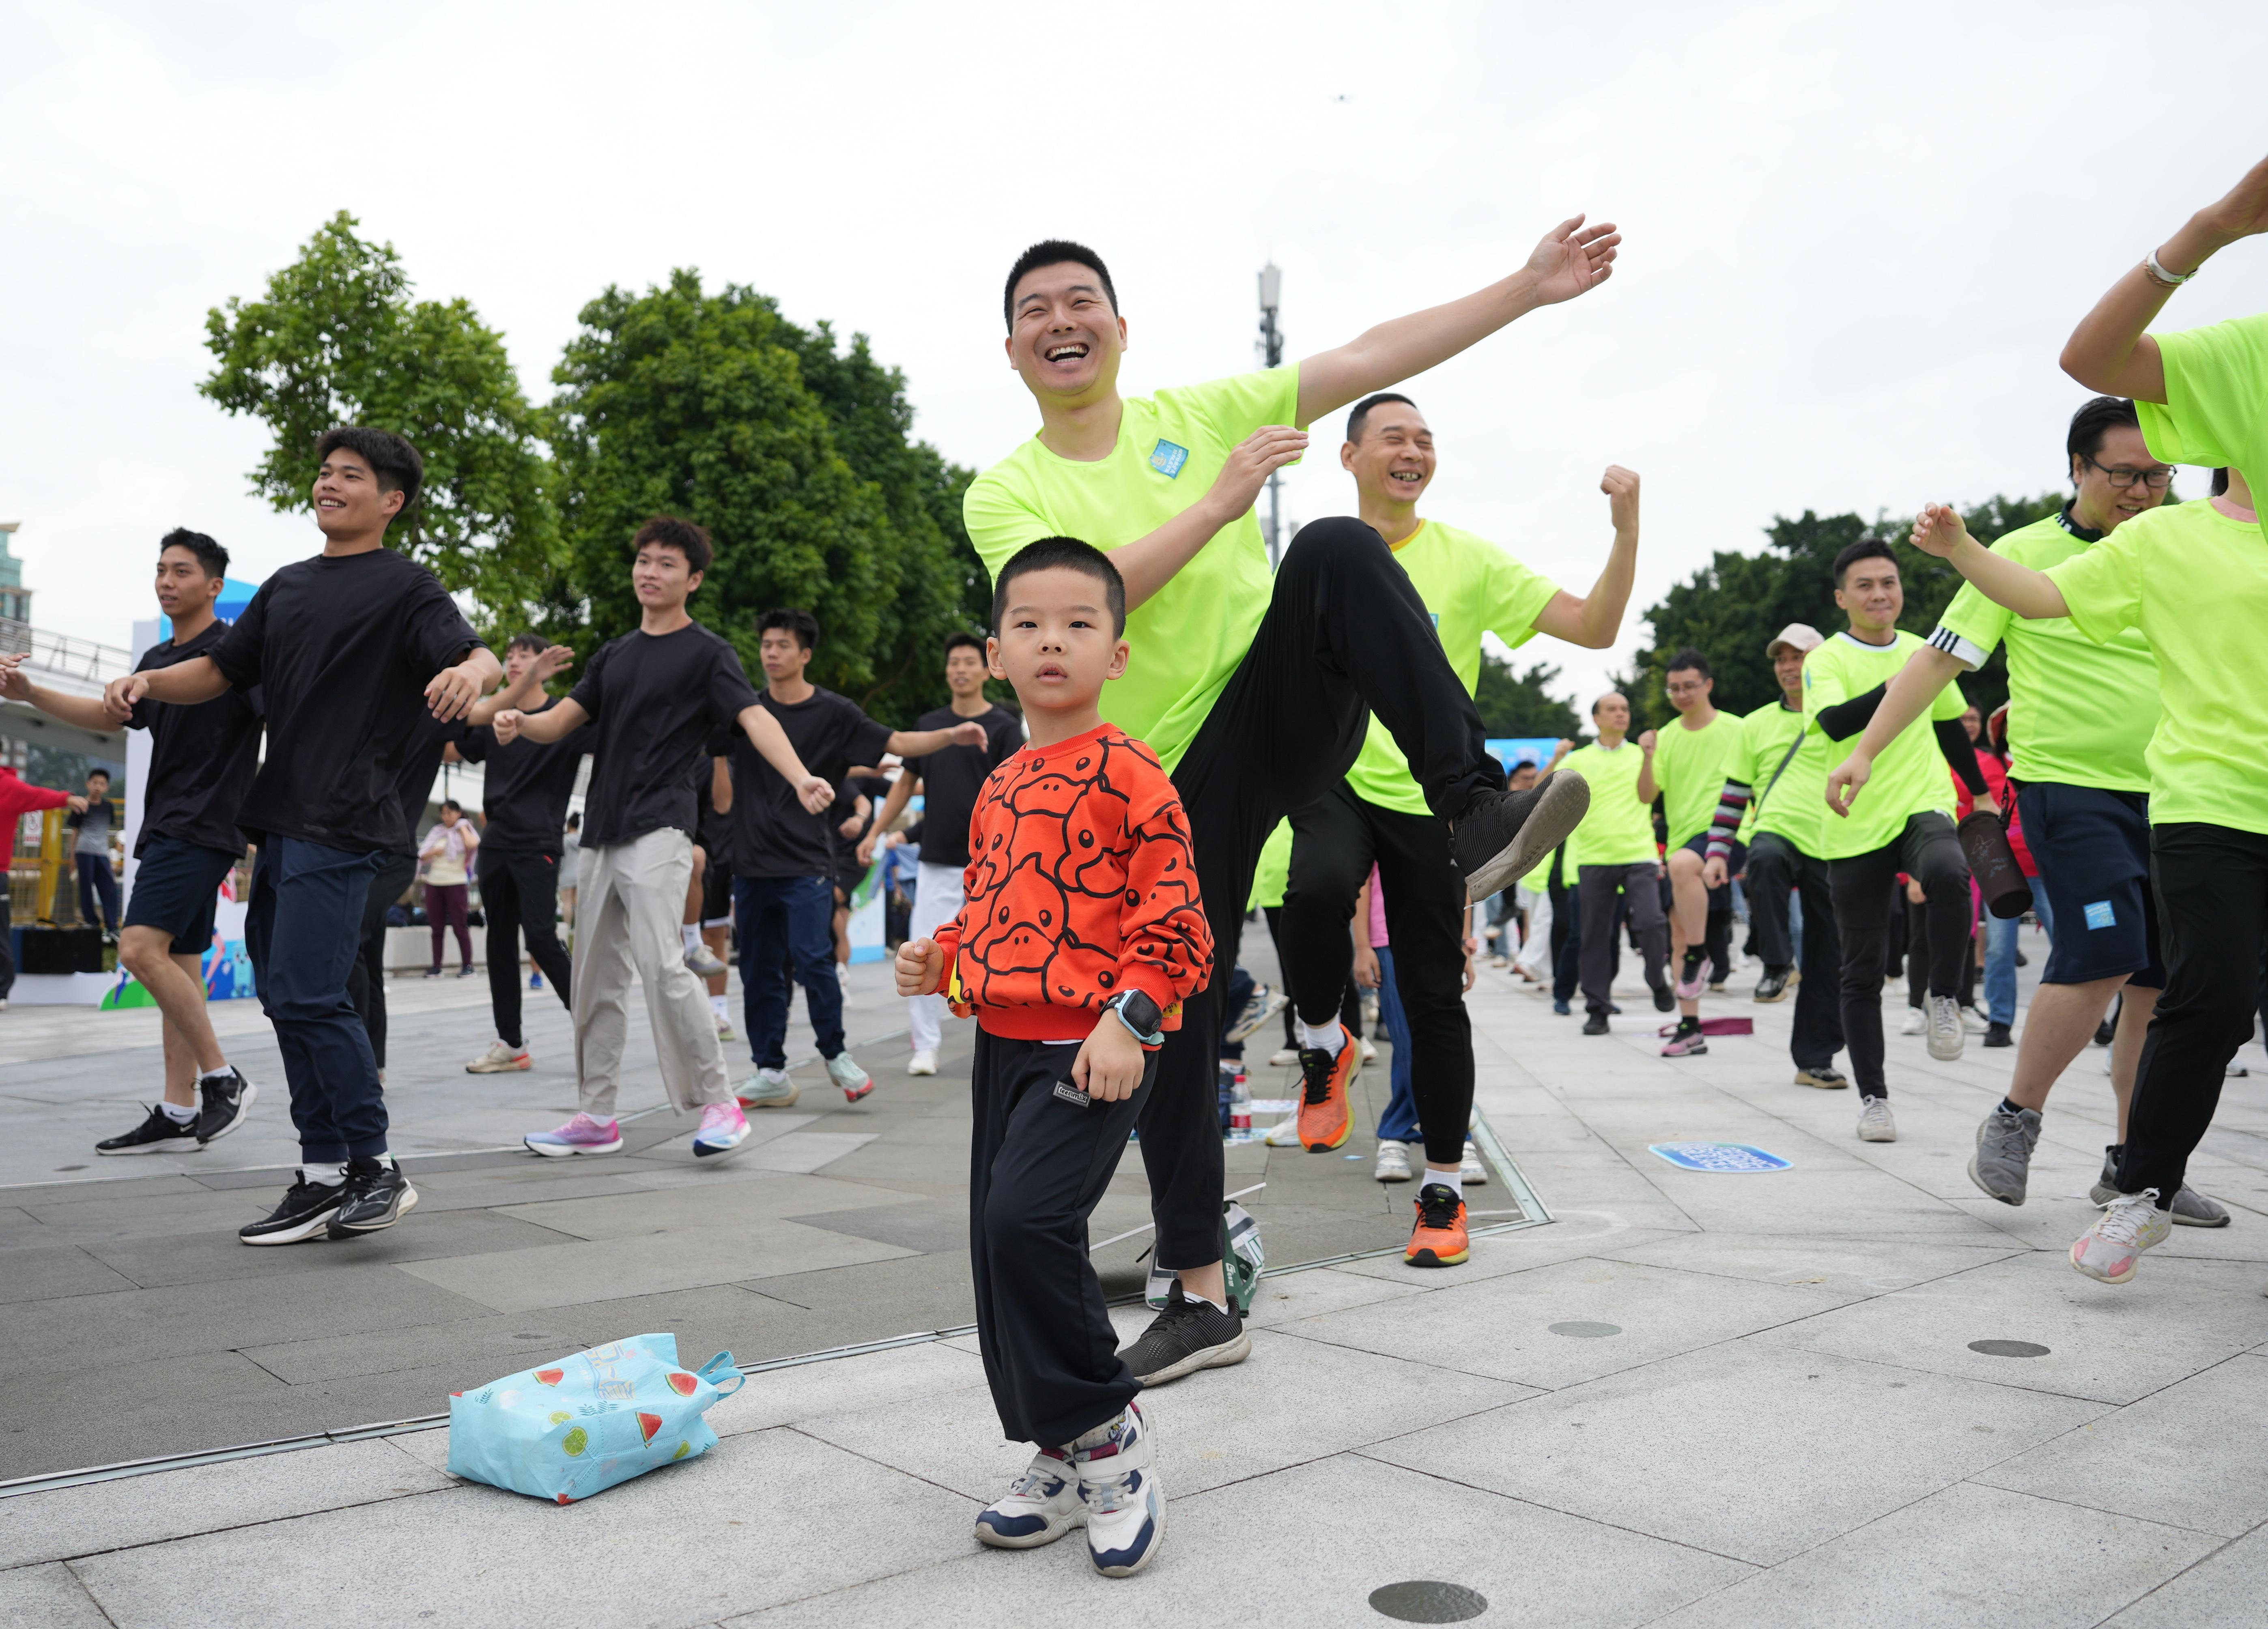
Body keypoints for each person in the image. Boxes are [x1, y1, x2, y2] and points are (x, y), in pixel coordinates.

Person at [965, 229, 1611, 1373]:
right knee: (1174, 1008)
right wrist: (1217, 505)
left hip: (1273, 706)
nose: (1060, 322)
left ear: (1120, 327)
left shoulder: (1195, 411)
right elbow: (1081, 598)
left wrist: (1524, 288)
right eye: (1035, 312)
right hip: (1151, 781)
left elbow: (1368, 353)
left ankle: (1468, 808)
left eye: (1082, 302)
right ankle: (1201, 1292)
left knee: (1333, 546)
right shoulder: (1007, 489)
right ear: (1011, 348)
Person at [895, 537, 1209, 1578]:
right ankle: (1059, 1447)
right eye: (1028, 623)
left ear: (1115, 654)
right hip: (1004, 1048)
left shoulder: (1132, 770)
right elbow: (1000, 911)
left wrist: (1132, 1018)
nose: (1051, 641)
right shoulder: (1000, 780)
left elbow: (1175, 919)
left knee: (1023, 1221)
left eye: (1078, 623)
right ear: (994, 652)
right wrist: (938, 960)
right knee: (1001, 1254)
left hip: (1094, 1045)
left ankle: (1110, 1435)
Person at [103, 428, 503, 1245]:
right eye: (325, 473)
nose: (330, 484)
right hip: (279, 820)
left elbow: (474, 654)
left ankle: (376, 1167)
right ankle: (322, 1173)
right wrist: (147, 681)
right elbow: (218, 670)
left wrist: (473, 672)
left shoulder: (406, 587)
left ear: (390, 500)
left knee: (316, 994)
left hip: (348, 816)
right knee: (286, 997)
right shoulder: (286, 588)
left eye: (350, 476)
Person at [1277, 392, 1637, 1264]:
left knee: (1434, 997)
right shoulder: (1318, 555)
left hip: (1429, 806)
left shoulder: (1465, 559)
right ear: (1349, 456)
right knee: (1314, 889)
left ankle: (1441, 1191)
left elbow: (1593, 624)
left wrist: (1625, 530)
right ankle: (1322, 1039)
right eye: (1393, 437)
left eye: (1425, 440)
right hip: (1333, 780)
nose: (1412, 451)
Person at [495, 519, 833, 1161]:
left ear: (694, 579)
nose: (649, 572)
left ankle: (720, 1103)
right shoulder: (615, 655)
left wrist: (800, 776)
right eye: (644, 561)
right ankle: (596, 1116)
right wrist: (521, 719)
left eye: (667, 564)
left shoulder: (708, 653)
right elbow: (563, 720)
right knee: (593, 979)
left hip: (662, 826)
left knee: (661, 965)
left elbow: (754, 718)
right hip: (600, 833)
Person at [2, 529, 256, 1147]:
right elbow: (106, 716)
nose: (167, 581)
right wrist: (31, 693)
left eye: (183, 572)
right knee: (179, 964)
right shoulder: (156, 663)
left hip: (202, 823)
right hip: (168, 821)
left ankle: (225, 1080)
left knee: (140, 950)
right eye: (161, 570)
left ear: (214, 587)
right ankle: (177, 1108)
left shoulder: (235, 656)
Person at [722, 608, 990, 1111]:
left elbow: (900, 744)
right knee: (759, 970)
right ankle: (769, 1069)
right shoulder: (748, 713)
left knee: (814, 959)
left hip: (807, 860)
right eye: (766, 645)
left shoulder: (835, 712)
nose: (771, 654)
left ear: (805, 654)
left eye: (783, 645)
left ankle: (836, 1053)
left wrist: (950, 735)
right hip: (752, 860)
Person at [1810, 538, 1988, 1143]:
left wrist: (1980, 793)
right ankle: (1874, 1101)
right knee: (1859, 971)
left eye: (1887, 582)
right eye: (1864, 585)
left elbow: (1950, 731)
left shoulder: (1925, 652)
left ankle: (1943, 998)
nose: (1879, 593)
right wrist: (1903, 682)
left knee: (1948, 871)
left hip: (1921, 800)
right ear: (1843, 598)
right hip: (1853, 819)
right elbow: (1833, 722)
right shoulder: (1826, 659)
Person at [863, 630, 1023, 1076]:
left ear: (988, 666)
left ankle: (1000, 1043)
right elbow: (903, 785)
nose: (960, 669)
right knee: (921, 952)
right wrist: (874, 831)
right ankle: (925, 1047)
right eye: (953, 661)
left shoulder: (1004, 728)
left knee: (1001, 953)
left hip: (994, 868)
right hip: (936, 863)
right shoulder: (931, 724)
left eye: (969, 661)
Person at [1707, 627, 1845, 1098]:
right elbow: (1733, 795)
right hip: (1778, 829)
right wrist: (1717, 852)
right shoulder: (1755, 724)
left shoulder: (1844, 715)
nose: (1789, 666)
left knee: (1829, 956)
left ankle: (1815, 1060)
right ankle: (1775, 961)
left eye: (1800, 656)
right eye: (1781, 659)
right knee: (1764, 857)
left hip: (1835, 841)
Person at [454, 633, 590, 1074]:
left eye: (524, 656)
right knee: (498, 939)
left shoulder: (565, 716)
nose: (514, 662)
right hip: (496, 841)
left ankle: (593, 1030)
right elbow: (454, 745)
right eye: (509, 656)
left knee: (540, 936)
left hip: (539, 842)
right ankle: (510, 1043)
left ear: (545, 663)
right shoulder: (494, 716)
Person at [1638, 650, 1745, 1058]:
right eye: (1675, 688)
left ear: (1708, 685)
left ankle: (1702, 956)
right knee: (1676, 931)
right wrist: (1647, 755)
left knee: (1683, 866)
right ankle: (1690, 1026)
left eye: (1690, 686)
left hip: (1729, 834)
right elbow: (1647, 795)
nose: (1682, 694)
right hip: (1685, 843)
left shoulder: (1738, 729)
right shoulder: (1665, 736)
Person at [1560, 693, 1668, 1034]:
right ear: (1596, 718)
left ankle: (1656, 976)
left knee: (1651, 922)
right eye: (1613, 709)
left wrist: (1650, 758)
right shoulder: (1579, 758)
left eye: (1625, 708)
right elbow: (1545, 792)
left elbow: (1649, 797)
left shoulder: (1642, 753)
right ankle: (1597, 1008)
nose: (1621, 714)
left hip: (1639, 854)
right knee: (1594, 937)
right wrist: (1557, 759)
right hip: (1594, 857)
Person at [0, 769, 87, 1007]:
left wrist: (66, 798)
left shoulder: (10, 787)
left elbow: (38, 796)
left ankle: (1, 991)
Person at [417, 799, 478, 977]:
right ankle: (437, 966)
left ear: (458, 813)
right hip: (435, 882)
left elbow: (472, 844)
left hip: (457, 882)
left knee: (460, 926)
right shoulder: (437, 831)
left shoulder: (464, 830)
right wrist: (434, 852)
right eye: (443, 813)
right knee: (437, 927)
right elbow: (422, 855)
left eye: (450, 813)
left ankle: (468, 965)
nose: (446, 817)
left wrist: (462, 826)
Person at [65, 769, 121, 938]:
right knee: (86, 889)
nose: (98, 787)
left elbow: (105, 831)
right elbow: (76, 832)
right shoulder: (80, 805)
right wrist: (72, 856)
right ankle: (92, 923)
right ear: (88, 784)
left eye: (102, 784)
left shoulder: (108, 806)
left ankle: (112, 927)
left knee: (110, 889)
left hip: (102, 853)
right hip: (84, 851)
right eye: (95, 783)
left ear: (107, 787)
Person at [558, 811, 581, 948]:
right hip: (578, 874)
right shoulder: (583, 839)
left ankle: (567, 929)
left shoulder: (565, 840)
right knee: (577, 903)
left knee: (567, 903)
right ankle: (578, 930)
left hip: (566, 874)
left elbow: (561, 858)